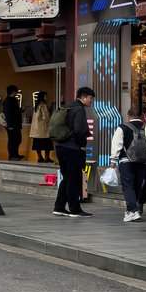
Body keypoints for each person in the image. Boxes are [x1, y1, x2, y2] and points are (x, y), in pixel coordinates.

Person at [51, 85, 94, 218]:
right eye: (90, 98)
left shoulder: (68, 107)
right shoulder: (79, 109)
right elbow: (79, 130)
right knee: (74, 179)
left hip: (61, 147)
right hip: (73, 148)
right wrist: (82, 145)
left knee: (67, 177)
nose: (91, 101)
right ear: (83, 97)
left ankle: (59, 207)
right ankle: (75, 209)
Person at [110, 108, 146, 223]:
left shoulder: (122, 127)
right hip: (143, 162)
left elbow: (116, 145)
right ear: (142, 116)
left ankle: (133, 210)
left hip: (126, 161)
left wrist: (113, 161)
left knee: (128, 186)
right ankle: (132, 210)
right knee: (137, 186)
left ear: (129, 116)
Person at [1, 85, 24, 160]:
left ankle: (16, 154)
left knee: (17, 139)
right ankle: (12, 156)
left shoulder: (13, 99)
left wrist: (21, 110)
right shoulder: (7, 101)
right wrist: (9, 125)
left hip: (16, 123)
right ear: (13, 92)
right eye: (16, 91)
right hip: (11, 124)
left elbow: (15, 111)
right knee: (12, 140)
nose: (17, 92)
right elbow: (7, 114)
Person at [30, 92, 53, 163]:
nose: (46, 97)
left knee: (37, 144)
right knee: (47, 144)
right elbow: (46, 117)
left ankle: (39, 157)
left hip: (36, 129)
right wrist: (50, 125)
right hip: (43, 128)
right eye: (46, 96)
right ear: (43, 97)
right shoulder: (43, 105)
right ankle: (47, 157)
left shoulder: (36, 106)